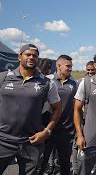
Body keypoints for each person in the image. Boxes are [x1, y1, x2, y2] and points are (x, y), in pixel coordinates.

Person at [0, 44, 62, 175]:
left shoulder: (47, 83)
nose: (32, 57)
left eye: (35, 55)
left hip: (31, 142)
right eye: (28, 54)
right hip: (3, 140)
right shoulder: (3, 78)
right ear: (19, 57)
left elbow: (57, 109)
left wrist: (47, 131)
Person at [38, 55, 78, 175]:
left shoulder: (74, 83)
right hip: (47, 129)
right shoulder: (46, 80)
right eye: (68, 66)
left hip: (66, 131)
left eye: (71, 66)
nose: (70, 69)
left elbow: (77, 106)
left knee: (65, 164)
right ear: (58, 66)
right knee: (40, 164)